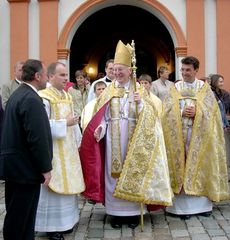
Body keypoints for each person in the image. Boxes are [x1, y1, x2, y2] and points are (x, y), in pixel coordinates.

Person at [80, 40, 173, 229]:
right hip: (113, 140)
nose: (117, 73)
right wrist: (100, 129)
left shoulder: (140, 91)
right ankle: (115, 213)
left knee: (134, 173)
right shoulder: (108, 92)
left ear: (131, 70)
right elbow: (103, 116)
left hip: (134, 141)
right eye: (115, 70)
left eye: (121, 70)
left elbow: (153, 118)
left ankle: (132, 213)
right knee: (113, 174)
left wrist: (140, 104)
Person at [162, 56, 229, 220]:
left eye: (188, 70)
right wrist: (180, 113)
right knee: (181, 168)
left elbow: (212, 113)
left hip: (199, 136)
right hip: (179, 136)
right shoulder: (175, 87)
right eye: (183, 70)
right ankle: (180, 209)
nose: (184, 73)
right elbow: (166, 112)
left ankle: (202, 206)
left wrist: (198, 113)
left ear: (196, 71)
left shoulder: (204, 88)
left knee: (200, 166)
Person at [0, 59, 53, 240]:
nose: (47, 78)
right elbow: (37, 138)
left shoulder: (18, 95)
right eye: (45, 74)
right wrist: (46, 168)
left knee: (18, 214)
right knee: (21, 217)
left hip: (15, 165)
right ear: (37, 76)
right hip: (25, 168)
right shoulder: (31, 99)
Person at [35, 62, 85, 240]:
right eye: (62, 75)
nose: (66, 79)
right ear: (50, 76)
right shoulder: (44, 97)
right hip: (53, 150)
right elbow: (40, 126)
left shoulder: (66, 95)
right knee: (53, 189)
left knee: (68, 184)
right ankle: (50, 226)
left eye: (66, 75)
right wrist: (65, 123)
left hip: (68, 149)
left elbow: (72, 121)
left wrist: (78, 141)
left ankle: (66, 222)